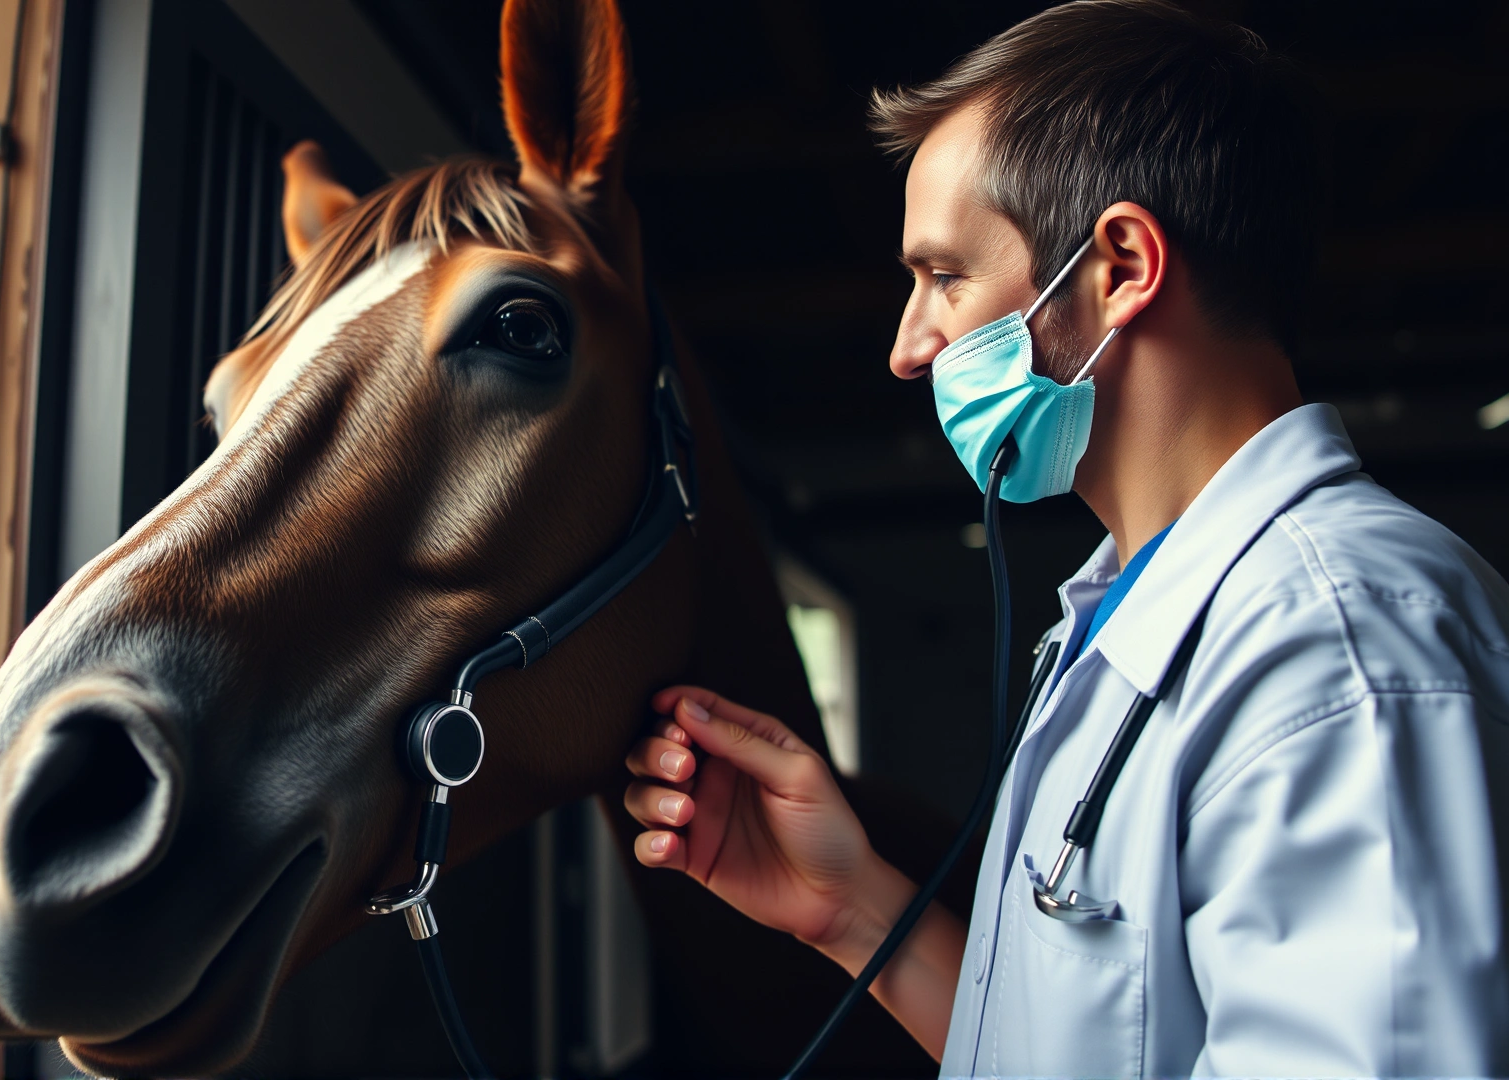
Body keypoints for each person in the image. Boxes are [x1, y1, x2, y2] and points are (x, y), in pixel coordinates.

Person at [622, 2, 1509, 1076]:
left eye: (945, 276)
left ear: (1122, 267)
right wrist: (851, 911)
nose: (909, 348)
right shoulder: (1126, 612)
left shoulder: (1336, 644)